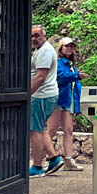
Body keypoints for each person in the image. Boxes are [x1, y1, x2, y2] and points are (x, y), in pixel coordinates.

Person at [29, 25, 63, 177]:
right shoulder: (42, 50)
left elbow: (40, 77)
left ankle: (37, 167)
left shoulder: (45, 51)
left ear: (45, 36)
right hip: (46, 95)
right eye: (32, 36)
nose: (34, 39)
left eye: (37, 35)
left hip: (41, 96)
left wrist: (27, 93)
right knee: (41, 128)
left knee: (34, 130)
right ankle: (54, 158)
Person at [49, 37, 86, 171]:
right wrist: (77, 76)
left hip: (68, 101)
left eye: (71, 46)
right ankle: (38, 160)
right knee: (51, 130)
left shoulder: (71, 65)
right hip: (58, 100)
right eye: (67, 46)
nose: (70, 49)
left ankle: (69, 160)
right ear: (61, 48)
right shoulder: (58, 63)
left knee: (68, 130)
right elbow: (61, 77)